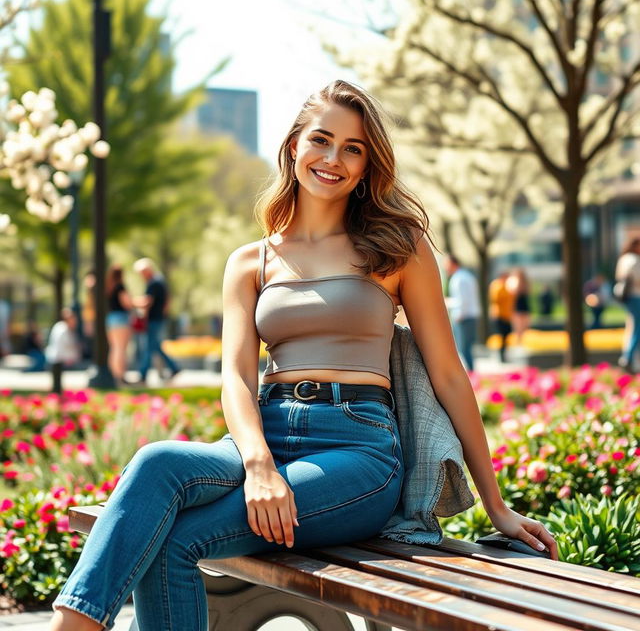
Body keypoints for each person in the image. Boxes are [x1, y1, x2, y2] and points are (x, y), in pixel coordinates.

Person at [50, 80, 556, 631]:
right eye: (321, 140)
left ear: (367, 166)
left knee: (179, 539)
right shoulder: (251, 262)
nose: (333, 158)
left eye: (353, 148)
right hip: (265, 434)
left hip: (356, 450)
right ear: (294, 146)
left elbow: (450, 377)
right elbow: (237, 380)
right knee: (154, 464)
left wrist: (497, 506)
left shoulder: (398, 248)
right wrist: (259, 465)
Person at [133, 257, 180, 384]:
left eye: (142, 273)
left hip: (154, 319)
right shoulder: (159, 281)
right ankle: (174, 368)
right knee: (155, 347)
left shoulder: (154, 283)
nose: (141, 276)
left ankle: (143, 375)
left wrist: (131, 302)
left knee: (148, 347)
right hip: (158, 318)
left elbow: (147, 302)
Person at [443, 254, 480, 371]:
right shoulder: (466, 276)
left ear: (453, 264)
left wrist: (447, 302)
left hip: (463, 318)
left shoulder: (459, 279)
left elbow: (462, 301)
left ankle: (471, 373)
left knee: (464, 348)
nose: (445, 268)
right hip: (468, 316)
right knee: (466, 347)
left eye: (447, 265)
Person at [105, 265, 135, 385]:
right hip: (121, 319)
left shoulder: (108, 288)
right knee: (121, 349)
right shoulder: (120, 287)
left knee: (114, 348)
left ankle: (114, 374)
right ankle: (120, 375)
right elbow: (127, 303)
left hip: (111, 319)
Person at [615, 238, 640, 373]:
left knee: (632, 326)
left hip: (628, 297)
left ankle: (628, 356)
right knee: (637, 328)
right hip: (636, 296)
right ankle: (629, 357)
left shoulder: (623, 259)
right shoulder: (634, 260)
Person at [45, 308, 81, 394]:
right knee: (56, 384)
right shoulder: (63, 329)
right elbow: (66, 345)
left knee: (57, 383)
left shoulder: (61, 327)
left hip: (57, 358)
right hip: (57, 358)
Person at [489, 271, 514, 362]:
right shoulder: (497, 285)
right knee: (501, 336)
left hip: (507, 315)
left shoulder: (507, 286)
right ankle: (501, 355)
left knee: (506, 336)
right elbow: (496, 298)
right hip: (499, 315)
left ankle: (504, 354)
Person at [506, 267, 531, 345]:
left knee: (525, 324)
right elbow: (513, 292)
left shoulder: (525, 282)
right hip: (517, 305)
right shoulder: (513, 281)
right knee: (518, 324)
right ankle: (518, 339)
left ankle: (522, 339)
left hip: (524, 304)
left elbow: (528, 291)